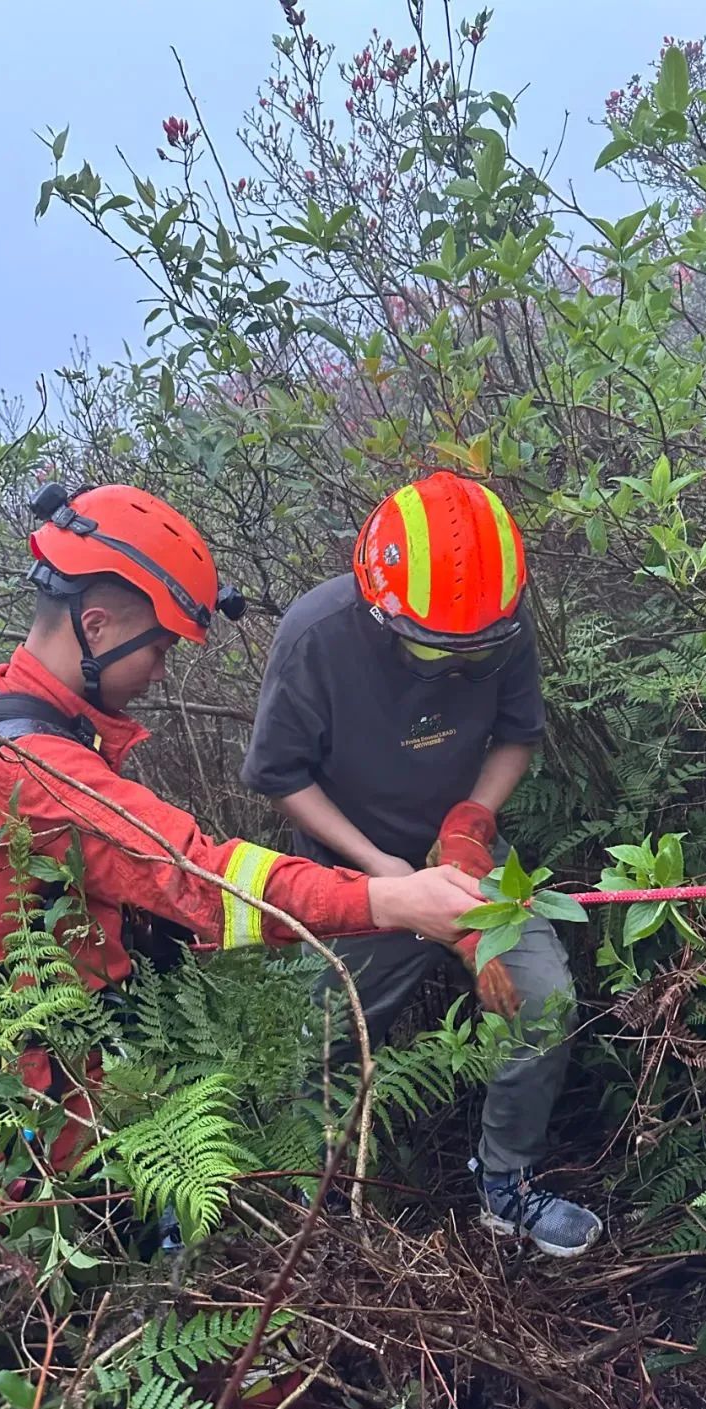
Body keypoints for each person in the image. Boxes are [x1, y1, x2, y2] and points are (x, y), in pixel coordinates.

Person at [0, 481, 483, 1166]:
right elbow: (199, 877)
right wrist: (390, 898)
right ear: (95, 626)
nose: (160, 674)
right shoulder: (37, 769)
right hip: (26, 1117)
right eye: (157, 648)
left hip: (43, 1060)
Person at [242, 472, 601, 1257]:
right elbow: (280, 777)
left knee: (541, 1003)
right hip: (354, 869)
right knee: (321, 1041)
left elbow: (515, 735)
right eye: (432, 648)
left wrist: (471, 823)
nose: (451, 667)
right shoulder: (317, 635)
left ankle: (505, 1183)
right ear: (381, 607)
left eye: (472, 652)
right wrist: (386, 874)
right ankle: (318, 1203)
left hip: (467, 856)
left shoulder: (498, 615)